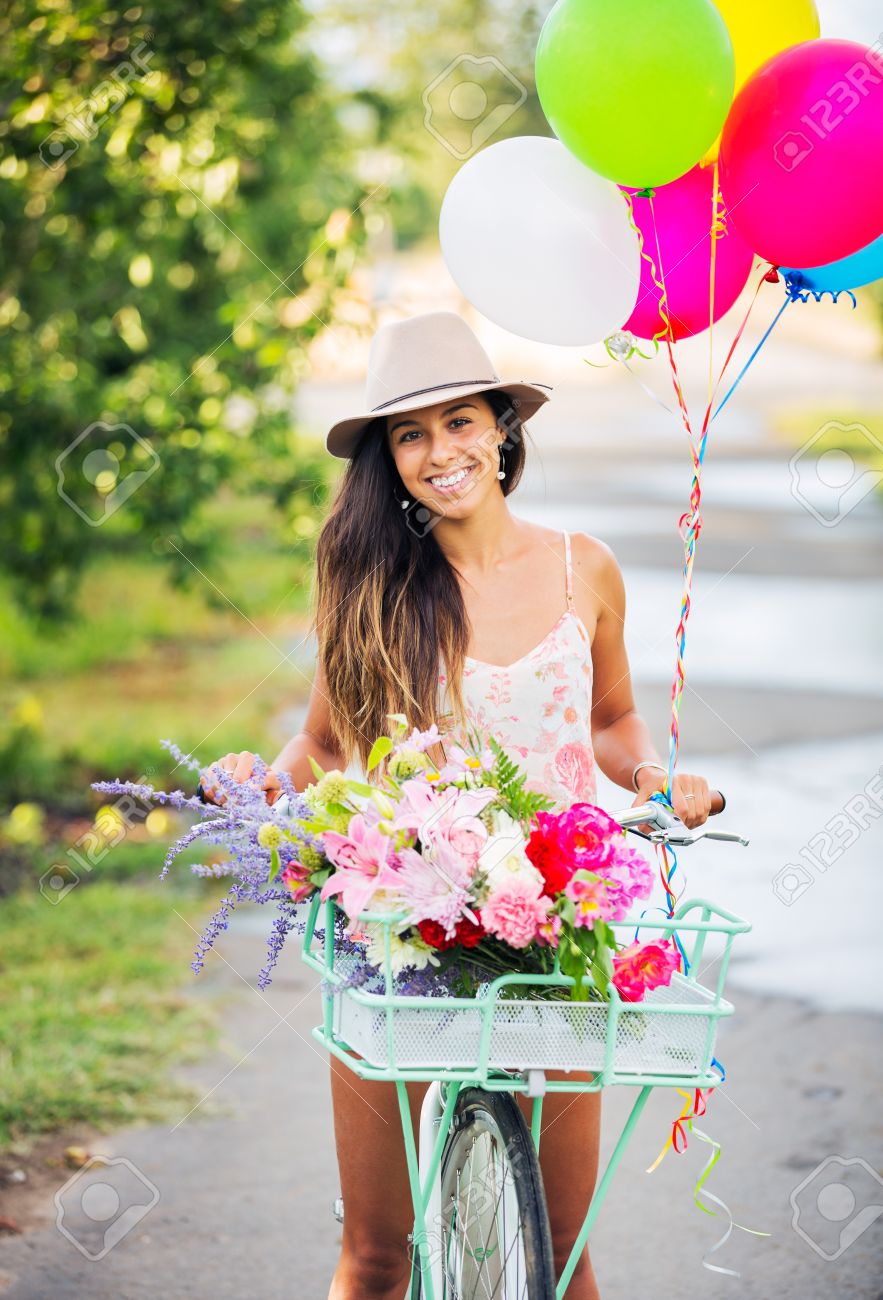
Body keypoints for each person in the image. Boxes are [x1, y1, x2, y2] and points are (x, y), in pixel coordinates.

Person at [203, 311, 715, 1300]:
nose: (442, 451)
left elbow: (610, 718)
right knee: (376, 1256)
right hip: (402, 925)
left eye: (460, 421)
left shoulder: (584, 568)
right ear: (387, 459)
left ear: (501, 430)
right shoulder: (372, 578)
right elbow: (322, 743)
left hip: (562, 927)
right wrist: (268, 788)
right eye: (410, 432)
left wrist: (655, 779)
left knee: (566, 1266)